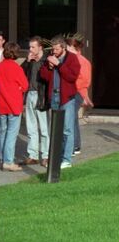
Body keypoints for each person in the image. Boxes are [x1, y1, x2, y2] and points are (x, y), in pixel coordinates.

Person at [39, 36, 80, 169]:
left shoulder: (72, 58)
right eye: (53, 49)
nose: (54, 51)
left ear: (63, 48)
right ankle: (56, 157)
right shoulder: (51, 57)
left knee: (67, 130)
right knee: (56, 130)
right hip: (54, 97)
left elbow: (72, 77)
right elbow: (43, 76)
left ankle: (67, 159)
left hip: (67, 98)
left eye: (57, 49)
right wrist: (50, 67)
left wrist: (59, 65)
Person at [0, 43, 28, 171]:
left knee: (3, 132)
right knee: (11, 134)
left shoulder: (0, 66)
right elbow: (25, 85)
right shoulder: (16, 68)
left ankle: (4, 159)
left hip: (2, 103)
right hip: (14, 104)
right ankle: (8, 161)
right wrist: (18, 88)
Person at [20, 37, 49, 167]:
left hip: (41, 95)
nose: (30, 50)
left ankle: (46, 155)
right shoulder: (30, 61)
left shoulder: (46, 60)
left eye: (33, 47)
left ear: (40, 47)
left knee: (43, 127)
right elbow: (20, 73)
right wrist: (27, 61)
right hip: (30, 94)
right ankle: (33, 155)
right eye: (30, 47)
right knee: (31, 127)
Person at [66, 37, 92, 155]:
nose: (66, 49)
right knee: (73, 119)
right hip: (75, 91)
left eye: (67, 47)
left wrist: (83, 95)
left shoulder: (82, 61)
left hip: (77, 92)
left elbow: (84, 80)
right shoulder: (73, 59)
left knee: (70, 119)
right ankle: (75, 145)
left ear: (73, 47)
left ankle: (72, 146)